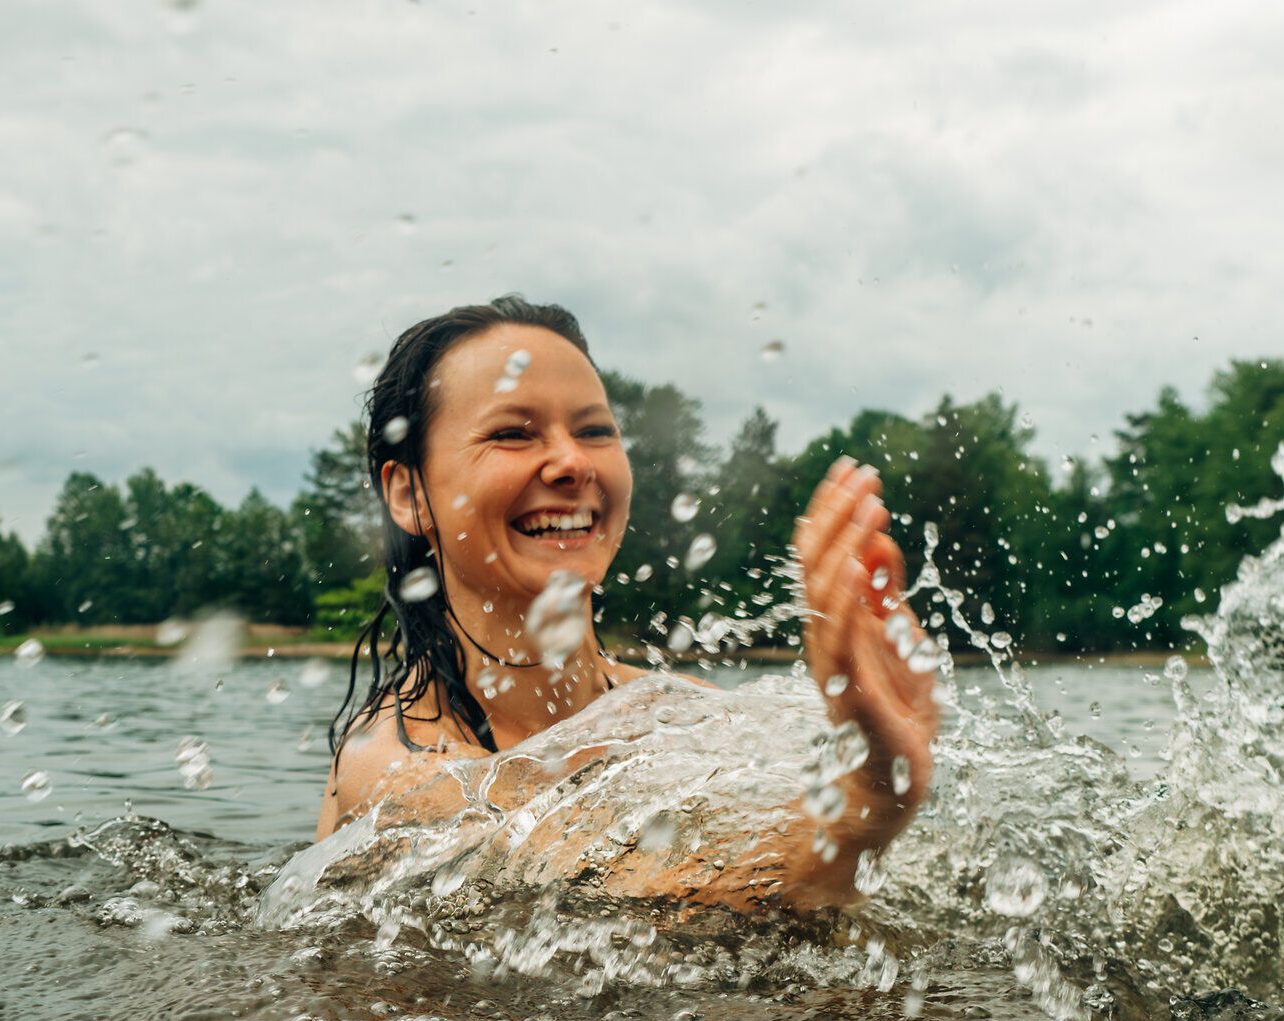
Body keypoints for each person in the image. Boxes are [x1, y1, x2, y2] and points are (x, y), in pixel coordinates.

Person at [317, 296, 936, 911]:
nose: (573, 462)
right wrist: (863, 803)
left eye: (594, 431)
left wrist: (877, 747)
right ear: (408, 494)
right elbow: (616, 897)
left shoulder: (696, 720)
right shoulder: (394, 766)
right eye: (512, 433)